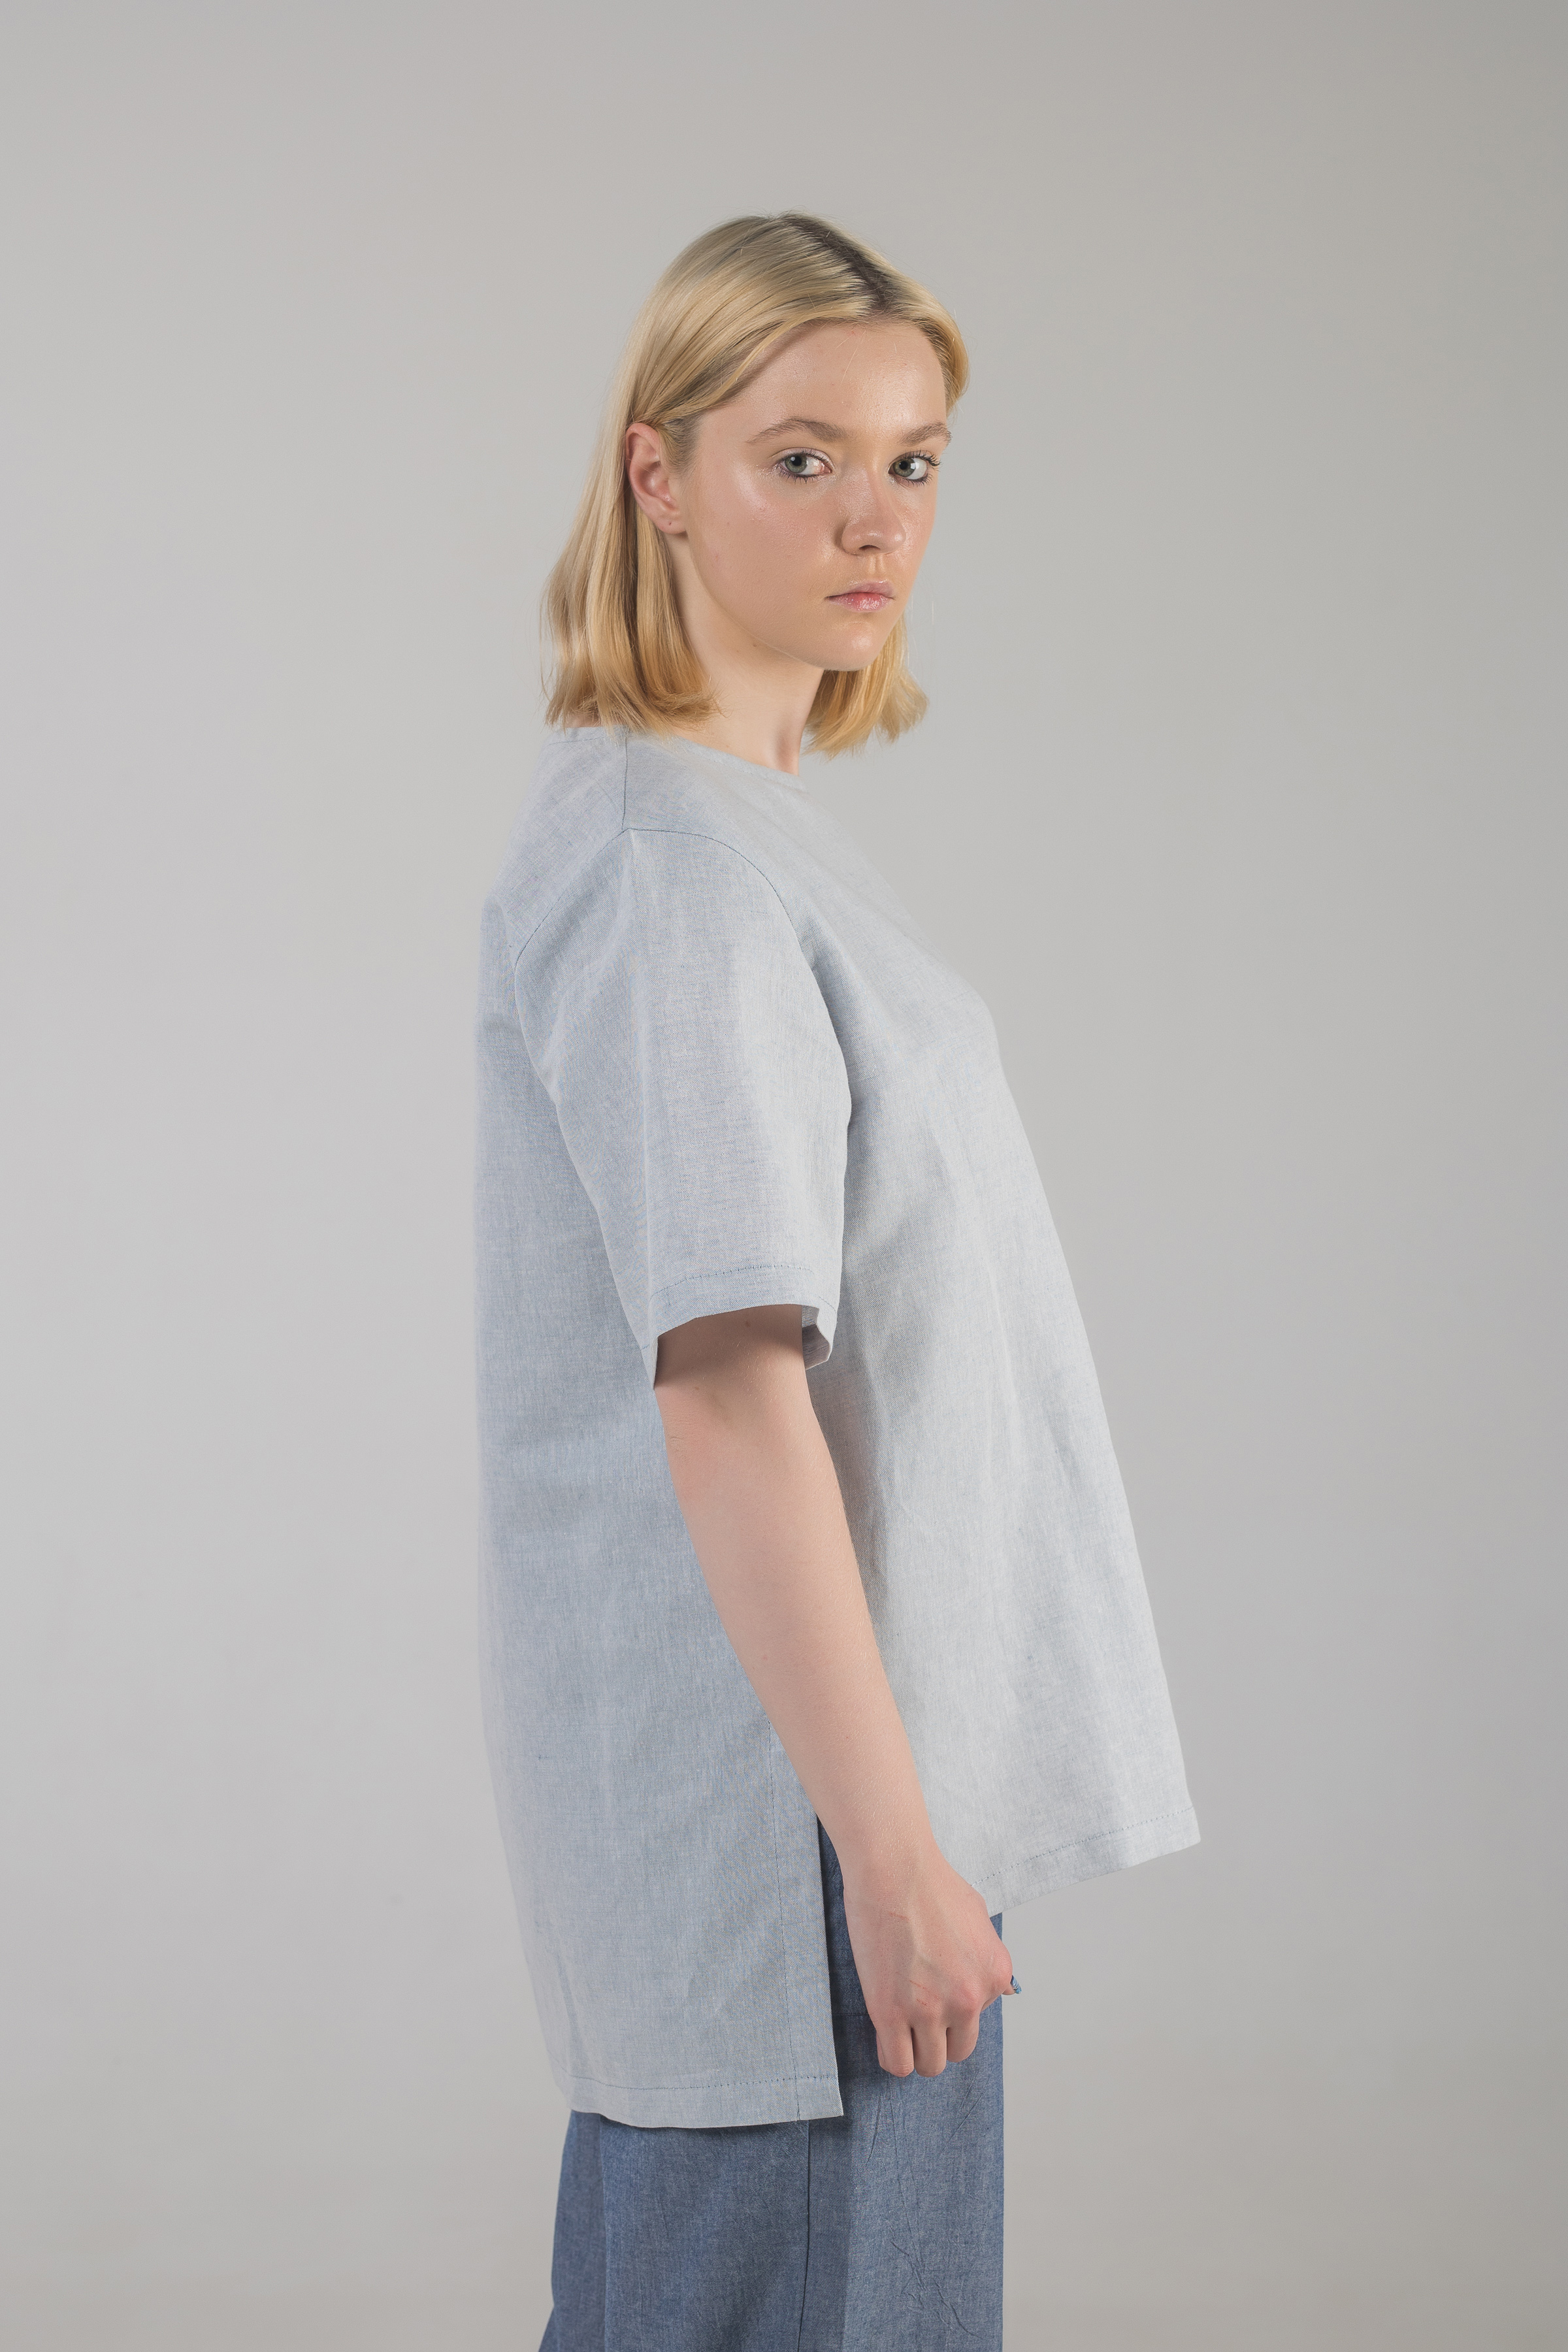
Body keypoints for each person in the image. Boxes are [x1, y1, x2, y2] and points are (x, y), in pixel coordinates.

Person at [474, 213, 1198, 2351]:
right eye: (802, 459)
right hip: (791, 1824)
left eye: (913, 461)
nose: (875, 518)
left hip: (834, 1796)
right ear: (660, 476)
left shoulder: (736, 827)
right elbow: (726, 1386)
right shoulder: (670, 868)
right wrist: (887, 1854)